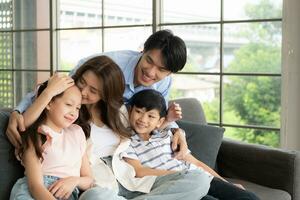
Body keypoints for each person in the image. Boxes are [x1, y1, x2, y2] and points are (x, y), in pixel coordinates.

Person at [8, 55, 209, 200]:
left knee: (199, 180)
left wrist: (176, 129)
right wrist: (17, 111)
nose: (83, 91)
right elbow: (36, 112)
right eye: (82, 82)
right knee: (99, 196)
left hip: (130, 178)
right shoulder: (67, 116)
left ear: (105, 94)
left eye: (93, 90)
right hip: (100, 186)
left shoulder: (120, 112)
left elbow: (149, 122)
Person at [7, 29, 186, 151]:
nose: (151, 72)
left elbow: (158, 115)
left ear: (170, 72)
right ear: (142, 51)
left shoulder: (164, 83)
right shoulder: (103, 67)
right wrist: (17, 111)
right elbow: (57, 91)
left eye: (161, 70)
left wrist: (176, 130)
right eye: (149, 61)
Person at [119, 89, 260, 200]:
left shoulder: (168, 135)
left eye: (151, 116)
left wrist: (226, 183)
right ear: (130, 111)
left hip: (199, 176)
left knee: (248, 197)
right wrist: (180, 176)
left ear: (160, 121)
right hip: (176, 185)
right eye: (138, 112)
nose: (143, 119)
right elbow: (139, 171)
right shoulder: (127, 142)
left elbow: (196, 163)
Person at [10, 83, 94, 200]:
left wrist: (74, 181)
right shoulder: (37, 135)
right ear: (49, 103)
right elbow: (35, 186)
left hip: (67, 193)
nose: (73, 112)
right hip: (36, 193)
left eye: (77, 108)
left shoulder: (77, 133)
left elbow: (89, 180)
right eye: (69, 104)